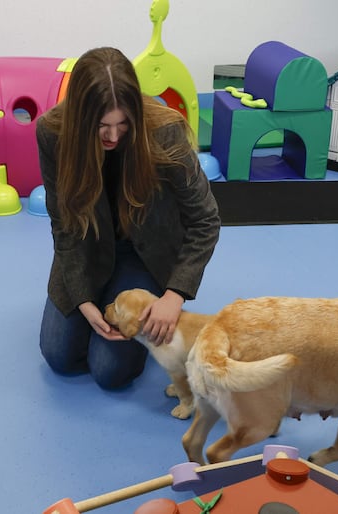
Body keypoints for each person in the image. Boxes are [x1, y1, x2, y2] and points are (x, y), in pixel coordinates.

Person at [36, 47, 220, 390]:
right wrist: (83, 300)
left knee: (109, 371)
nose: (114, 136)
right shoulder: (52, 133)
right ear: (79, 122)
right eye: (102, 127)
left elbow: (206, 220)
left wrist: (174, 296)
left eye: (124, 124)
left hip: (144, 254)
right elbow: (63, 223)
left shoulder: (165, 131)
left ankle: (132, 305)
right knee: (59, 356)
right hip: (87, 250)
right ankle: (100, 299)